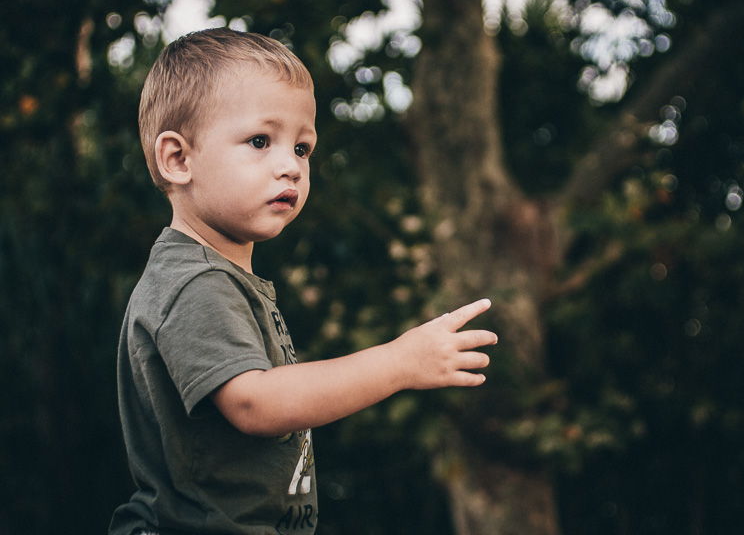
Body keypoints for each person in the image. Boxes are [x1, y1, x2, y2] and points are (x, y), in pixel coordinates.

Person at [109, 27, 497, 535]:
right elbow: (255, 402)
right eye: (260, 141)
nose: (290, 166)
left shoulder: (219, 276)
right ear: (178, 159)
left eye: (302, 148)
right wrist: (400, 361)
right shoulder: (193, 282)